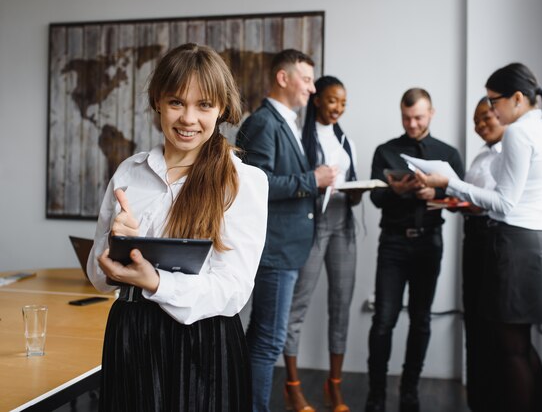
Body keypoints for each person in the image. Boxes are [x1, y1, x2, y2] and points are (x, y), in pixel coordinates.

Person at [86, 43, 268, 411]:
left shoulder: (243, 181)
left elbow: (233, 290)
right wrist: (113, 243)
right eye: (176, 102)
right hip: (129, 334)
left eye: (204, 105)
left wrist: (154, 281)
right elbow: (97, 276)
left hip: (202, 345)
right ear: (158, 103)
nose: (188, 118)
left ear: (222, 109)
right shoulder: (129, 172)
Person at [416, 63, 542, 412]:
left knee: (510, 350)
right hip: (540, 243)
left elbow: (503, 202)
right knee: (522, 347)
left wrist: (448, 182)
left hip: (515, 245)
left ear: (517, 98)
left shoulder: (519, 132)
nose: (490, 109)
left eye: (493, 100)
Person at [236, 49, 337, 412]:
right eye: (307, 80)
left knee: (265, 339)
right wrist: (312, 179)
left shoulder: (285, 122)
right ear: (283, 78)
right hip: (275, 252)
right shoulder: (264, 122)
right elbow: (256, 183)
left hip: (288, 250)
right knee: (266, 341)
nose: (312, 89)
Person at [365, 88, 464, 412]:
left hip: (429, 243)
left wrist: (434, 192)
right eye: (406, 117)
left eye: (418, 117)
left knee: (421, 320)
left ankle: (410, 391)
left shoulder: (448, 154)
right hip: (392, 244)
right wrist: (397, 191)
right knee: (383, 320)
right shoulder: (385, 151)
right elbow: (375, 198)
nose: (412, 123)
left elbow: (459, 204)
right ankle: (376, 395)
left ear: (432, 113)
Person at [283, 76, 361, 412]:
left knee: (341, 306)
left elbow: (352, 184)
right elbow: (297, 187)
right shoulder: (299, 139)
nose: (338, 108)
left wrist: (357, 191)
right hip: (312, 225)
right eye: (332, 101)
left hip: (343, 224)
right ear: (317, 100)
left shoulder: (346, 140)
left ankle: (335, 387)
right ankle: (293, 386)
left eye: (343, 103)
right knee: (297, 307)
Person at [461, 97, 506, 412]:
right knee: (473, 322)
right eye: (476, 120)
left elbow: (500, 201)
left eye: (485, 118)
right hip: (473, 238)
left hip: (494, 240)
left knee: (494, 328)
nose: (479, 126)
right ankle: (477, 401)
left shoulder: (508, 156)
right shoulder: (481, 155)